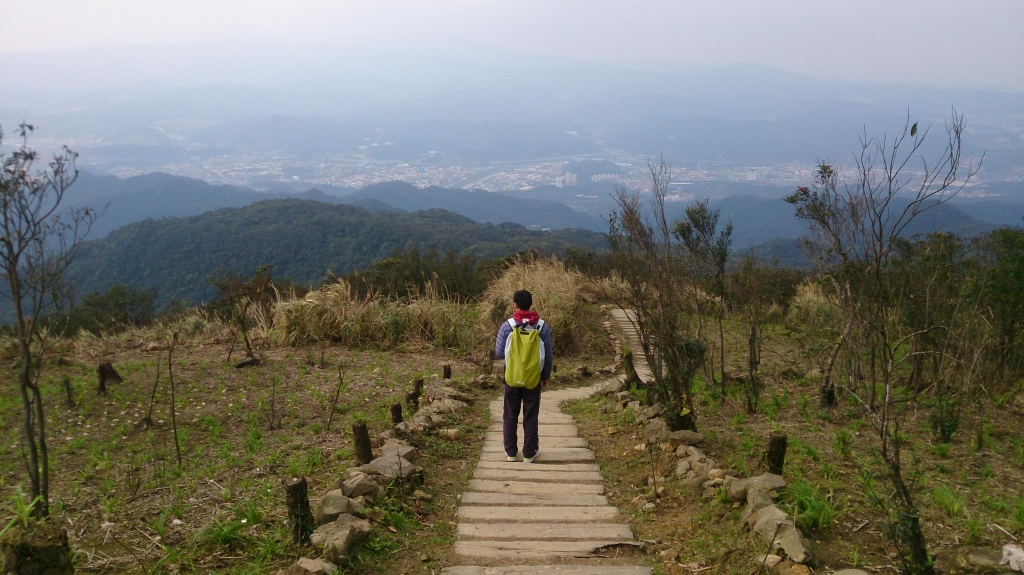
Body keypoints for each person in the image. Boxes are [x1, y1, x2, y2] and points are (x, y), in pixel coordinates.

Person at [494, 290, 553, 463]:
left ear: (515, 305)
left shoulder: (508, 325)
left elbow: (499, 353)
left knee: (510, 414)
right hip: (533, 378)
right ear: (530, 304)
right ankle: (529, 453)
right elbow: (547, 356)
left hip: (512, 377)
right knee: (531, 415)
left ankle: (511, 452)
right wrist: (545, 376)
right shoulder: (542, 326)